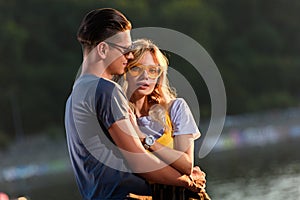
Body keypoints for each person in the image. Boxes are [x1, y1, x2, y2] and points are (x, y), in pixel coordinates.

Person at [64, 8, 206, 199]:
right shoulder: (106, 90)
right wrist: (188, 182)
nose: (129, 56)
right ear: (103, 49)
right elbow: (139, 161)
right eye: (125, 50)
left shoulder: (74, 96)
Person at [116, 39, 211, 200]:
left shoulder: (175, 108)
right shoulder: (119, 117)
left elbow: (187, 165)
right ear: (125, 71)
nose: (145, 76)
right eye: (137, 68)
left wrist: (146, 140)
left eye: (153, 70)